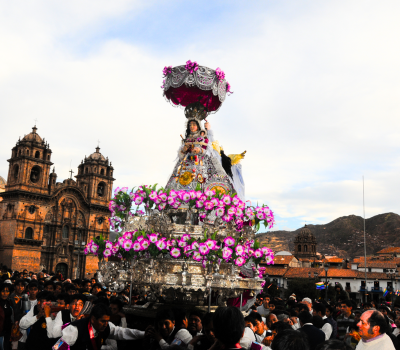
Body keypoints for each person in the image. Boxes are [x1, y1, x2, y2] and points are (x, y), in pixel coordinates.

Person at [55, 303, 146, 349]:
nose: (105, 324)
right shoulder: (74, 329)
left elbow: (123, 332)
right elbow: (57, 347)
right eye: (102, 321)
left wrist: (144, 334)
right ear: (93, 319)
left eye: (107, 321)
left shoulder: (107, 326)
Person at [0, 283, 13, 350]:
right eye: (3, 291)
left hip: (8, 331)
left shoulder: (9, 301)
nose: (5, 293)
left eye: (7, 291)